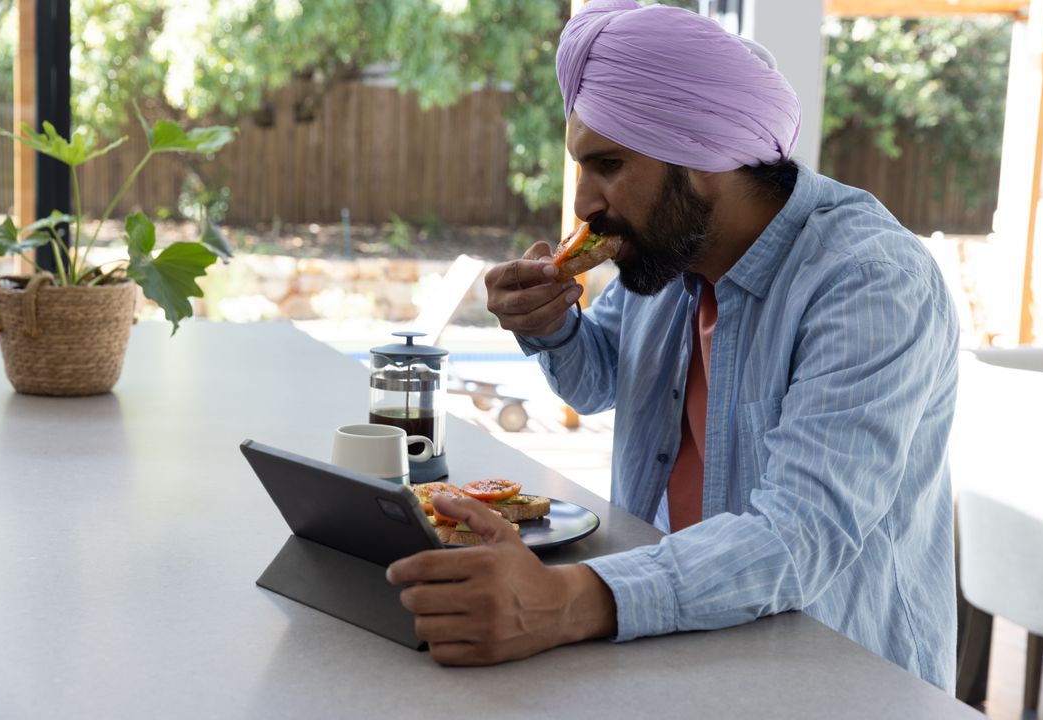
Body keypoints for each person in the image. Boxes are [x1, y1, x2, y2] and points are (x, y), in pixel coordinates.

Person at [387, 0, 959, 692]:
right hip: (679, 640)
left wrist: (564, 600)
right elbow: (601, 380)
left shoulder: (868, 281)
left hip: (831, 676)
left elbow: (798, 537)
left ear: (702, 153)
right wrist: (550, 328)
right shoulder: (670, 252)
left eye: (608, 164)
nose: (584, 206)